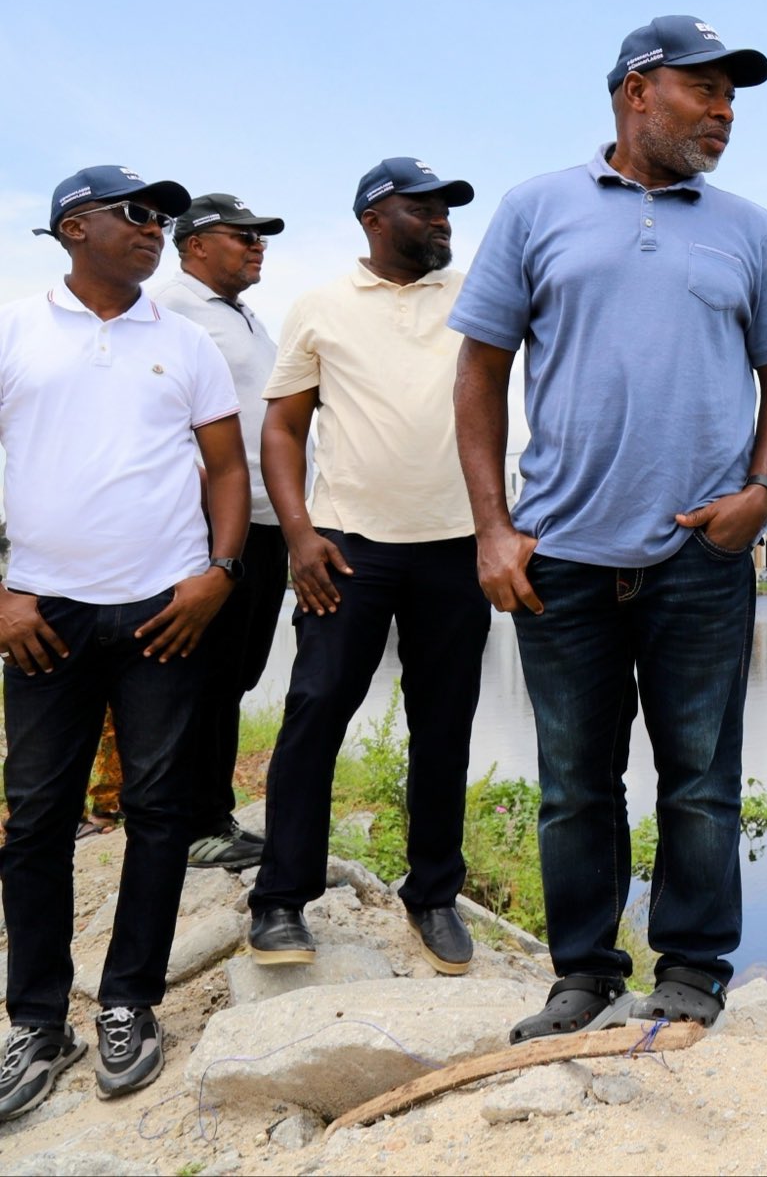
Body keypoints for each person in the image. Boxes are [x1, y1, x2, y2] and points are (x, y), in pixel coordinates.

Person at [452, 16, 767, 1043]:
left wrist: (761, 491)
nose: (724, 113)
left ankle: (693, 970)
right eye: (705, 90)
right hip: (560, 554)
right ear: (635, 91)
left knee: (700, 781)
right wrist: (492, 529)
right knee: (575, 784)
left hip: (701, 555)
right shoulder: (535, 209)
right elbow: (479, 372)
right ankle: (583, 974)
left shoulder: (747, 228)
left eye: (732, 97)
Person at [0, 166, 249, 1120]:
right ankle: (36, 1019)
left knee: (157, 810)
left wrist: (217, 572)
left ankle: (128, 1001)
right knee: (36, 818)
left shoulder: (185, 342)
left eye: (165, 218)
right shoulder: (17, 331)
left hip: (162, 610)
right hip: (44, 616)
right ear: (75, 227)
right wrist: (3, 594)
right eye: (139, 214)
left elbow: (225, 468)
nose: (157, 229)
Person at [245, 159, 487, 976]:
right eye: (426, 208)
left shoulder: (477, 297)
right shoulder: (320, 306)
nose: (443, 220)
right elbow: (283, 429)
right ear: (374, 219)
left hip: (458, 543)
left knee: (444, 723)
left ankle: (434, 894)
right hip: (347, 546)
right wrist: (298, 534)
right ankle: (281, 900)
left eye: (448, 209)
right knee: (315, 711)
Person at [158, 193, 290, 870]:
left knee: (234, 675)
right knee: (202, 674)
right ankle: (190, 824)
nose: (257, 245)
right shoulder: (169, 309)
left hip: (266, 520)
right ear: (196, 245)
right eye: (243, 235)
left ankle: (213, 812)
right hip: (210, 523)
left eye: (260, 237)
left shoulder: (243, 316)